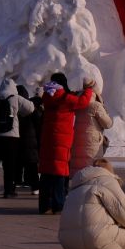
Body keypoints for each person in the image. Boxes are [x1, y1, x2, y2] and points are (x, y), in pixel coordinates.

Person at [37, 73, 94, 214]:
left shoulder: (47, 96)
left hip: (47, 140)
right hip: (61, 141)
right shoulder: (65, 98)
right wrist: (88, 89)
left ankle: (44, 206)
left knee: (46, 174)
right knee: (59, 173)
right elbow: (82, 102)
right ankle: (58, 205)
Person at [0, 77, 34, 198]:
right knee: (10, 165)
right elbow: (31, 108)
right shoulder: (16, 98)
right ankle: (8, 191)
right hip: (11, 137)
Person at [70, 88, 113, 174]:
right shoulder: (96, 106)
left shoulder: (76, 104)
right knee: (92, 172)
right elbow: (108, 124)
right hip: (92, 144)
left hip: (77, 141)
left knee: (79, 169)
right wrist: (106, 112)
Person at [18, 85, 42, 192]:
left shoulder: (17, 106)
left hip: (20, 138)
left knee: (21, 161)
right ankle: (35, 186)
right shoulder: (34, 108)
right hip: (32, 139)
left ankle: (19, 180)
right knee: (31, 163)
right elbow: (39, 125)